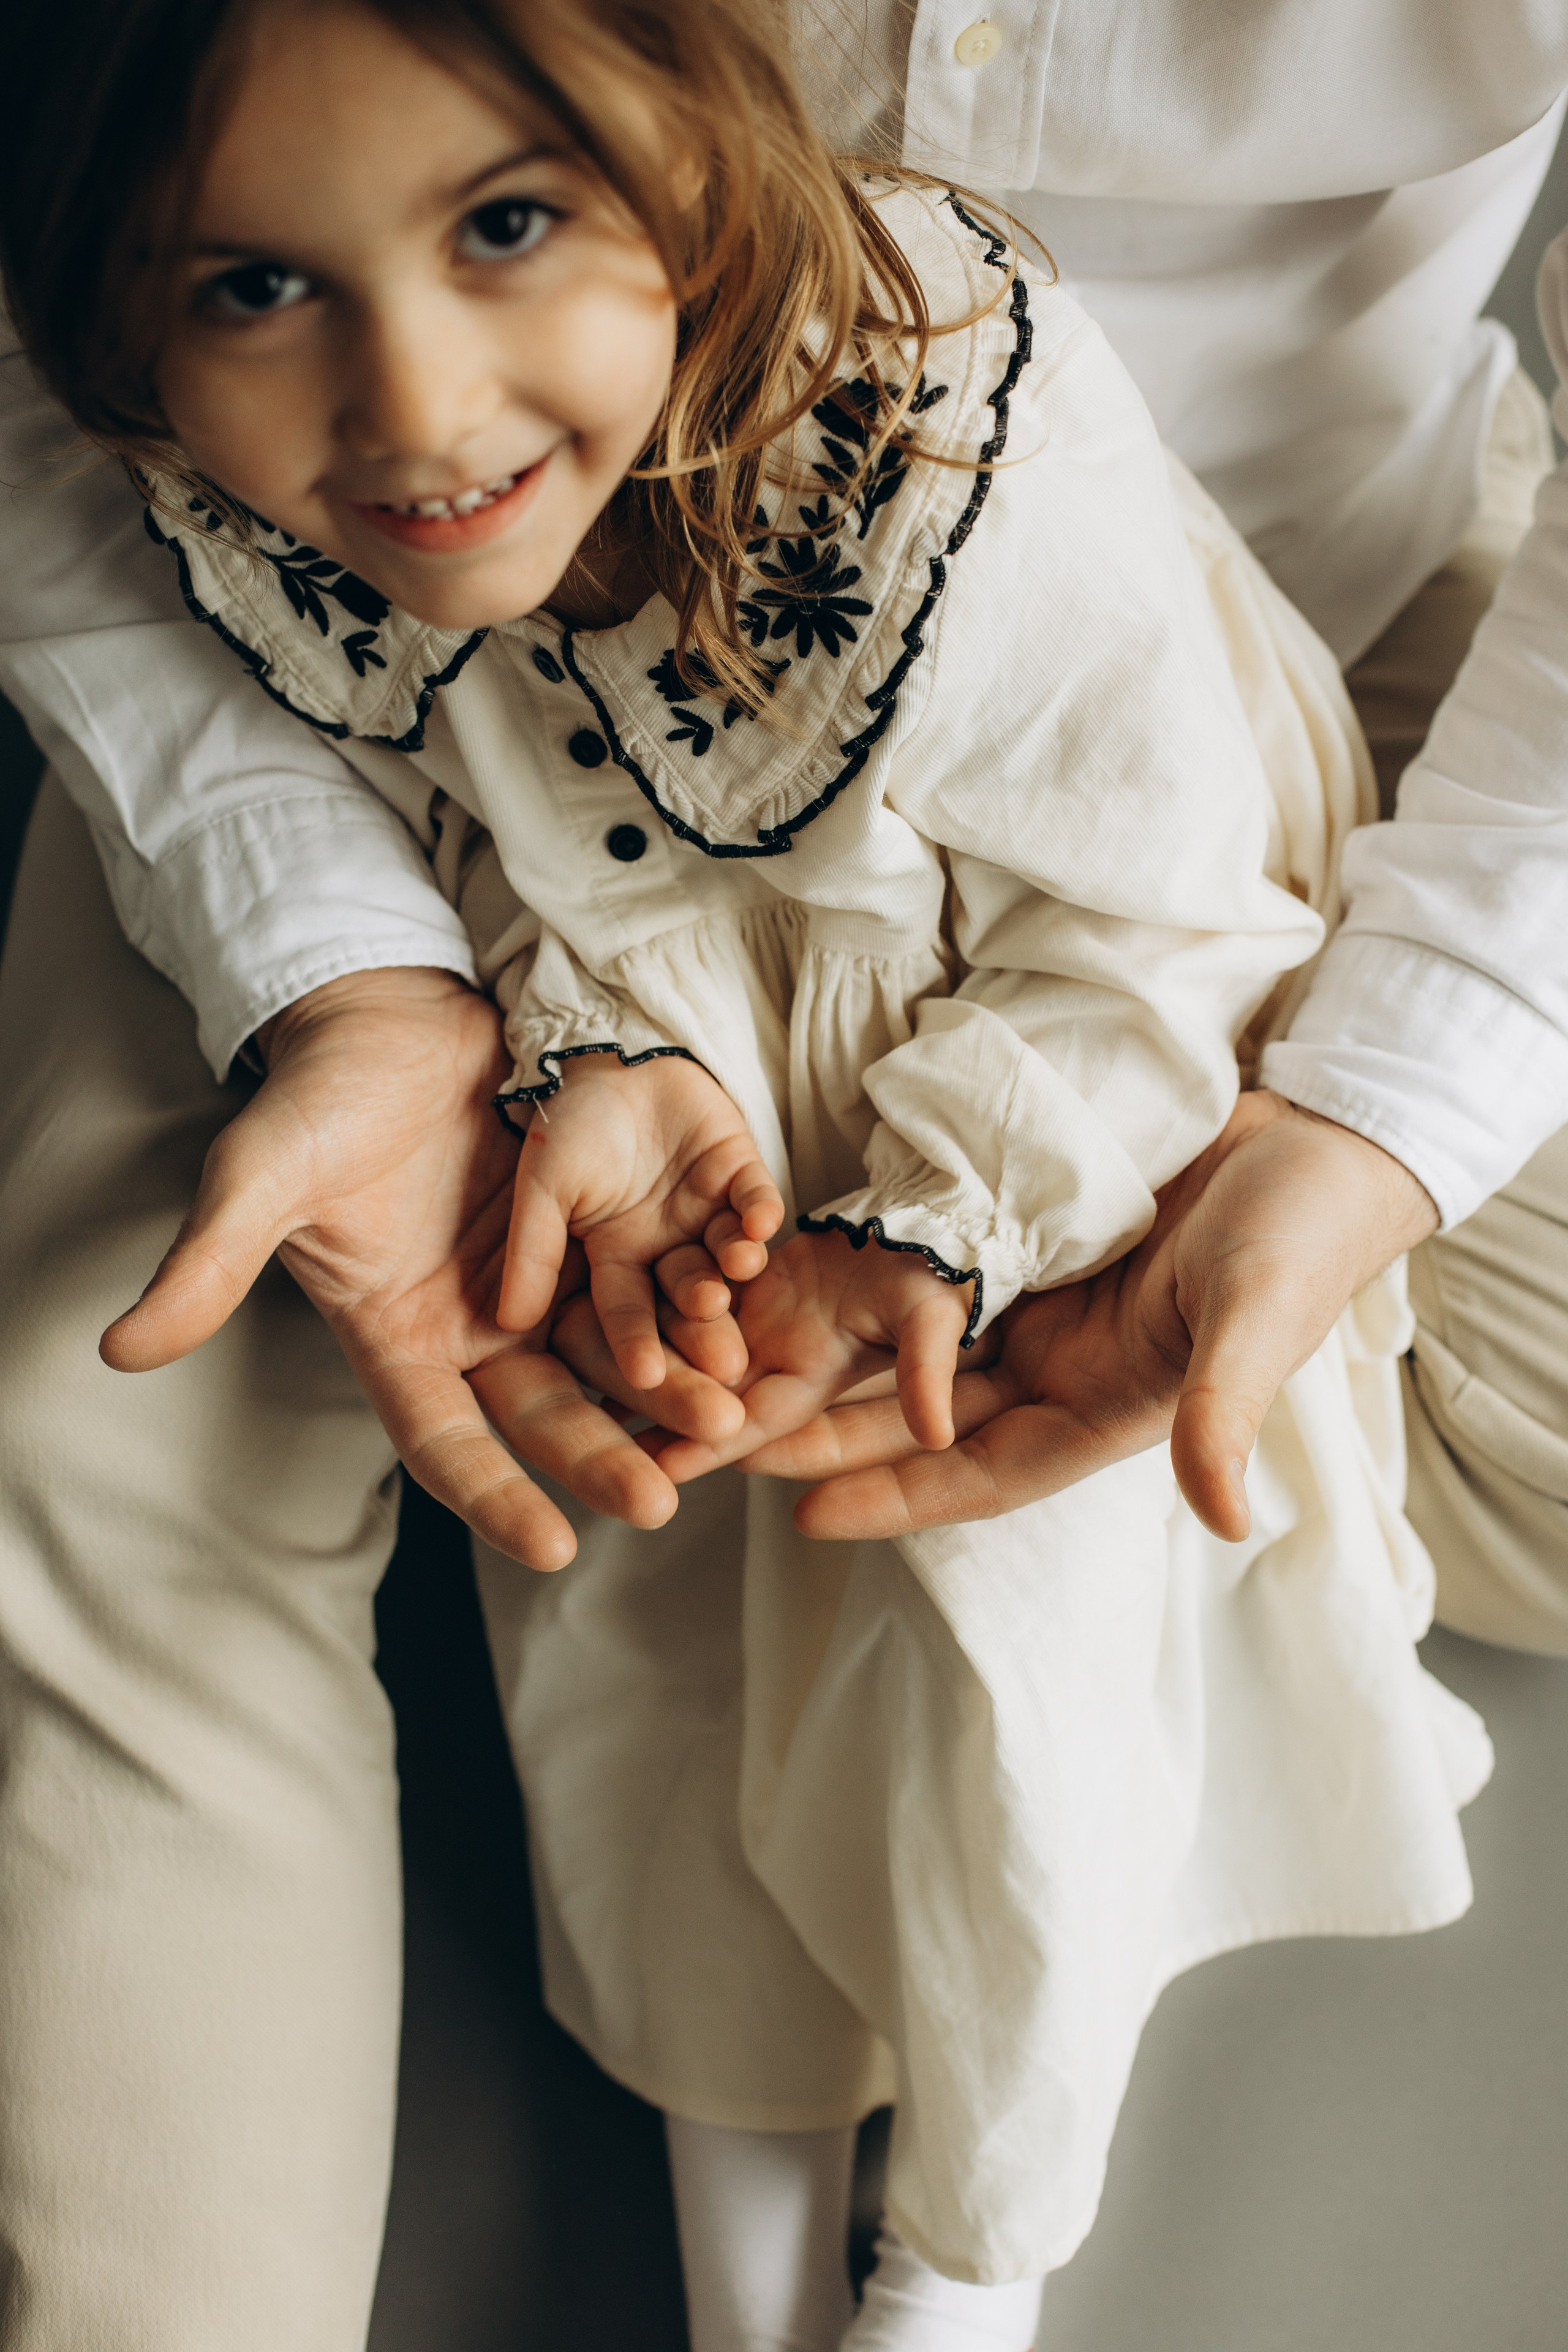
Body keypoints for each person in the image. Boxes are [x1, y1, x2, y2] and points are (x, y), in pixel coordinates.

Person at [0, 2, 1564, 2346]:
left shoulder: (961, 411)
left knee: (1035, 1615)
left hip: (1175, 783)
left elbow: (1158, 903)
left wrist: (1336, 1128)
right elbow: (503, 765)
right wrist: (407, 986)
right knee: (193, 1460)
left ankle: (966, 2239)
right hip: (468, 756)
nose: (416, 392)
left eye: (508, 226)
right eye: (265, 291)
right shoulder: (357, 424)